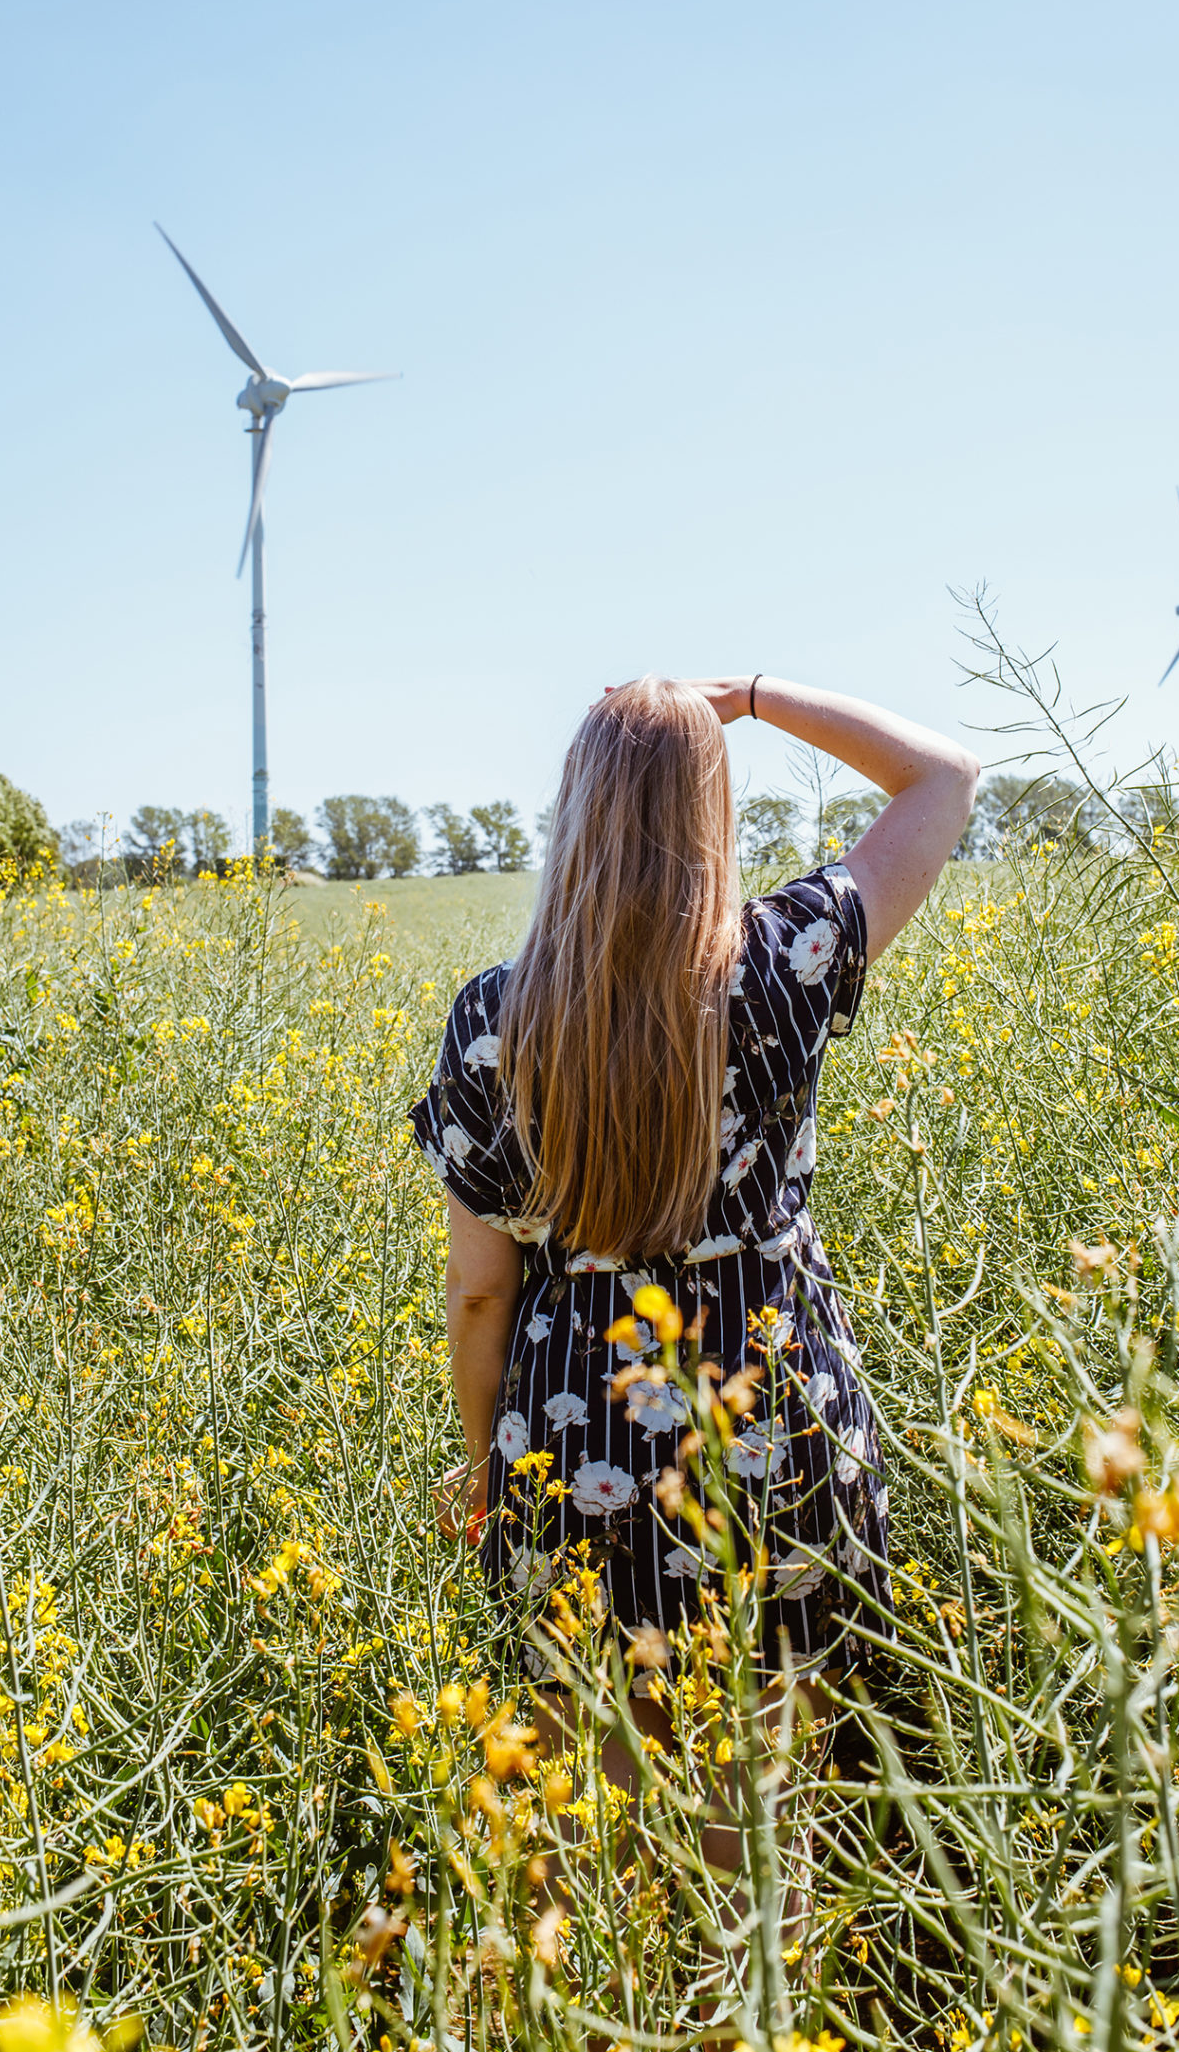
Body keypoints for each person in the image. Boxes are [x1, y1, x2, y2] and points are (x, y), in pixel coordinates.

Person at [410, 673, 978, 1718]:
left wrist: (487, 1467)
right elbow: (944, 776)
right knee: (766, 1805)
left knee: (603, 1803)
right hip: (774, 1409)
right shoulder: (783, 962)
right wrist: (754, 698)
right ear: (710, 810)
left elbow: (480, 1292)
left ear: (576, 806)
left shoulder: (496, 1015)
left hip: (575, 1434)